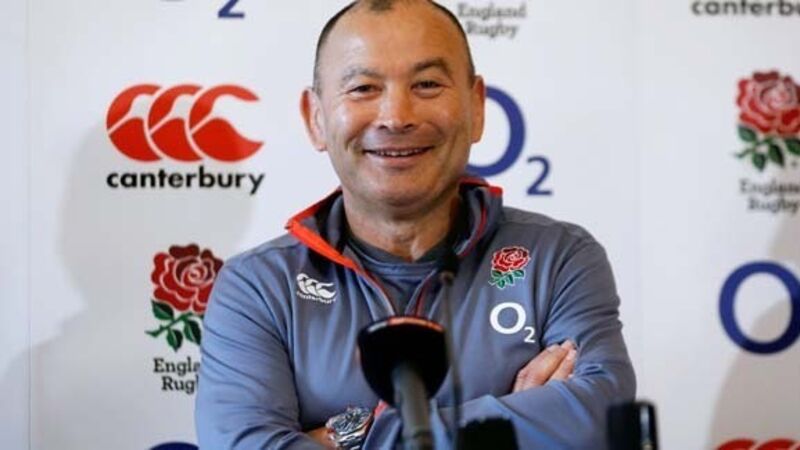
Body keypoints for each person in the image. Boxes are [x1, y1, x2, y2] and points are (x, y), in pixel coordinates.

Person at [195, 0, 636, 448]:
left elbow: (601, 417)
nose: (396, 117)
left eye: (426, 84)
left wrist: (342, 438)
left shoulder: (557, 258)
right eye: (363, 88)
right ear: (316, 118)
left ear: (477, 106)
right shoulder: (259, 286)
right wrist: (508, 425)